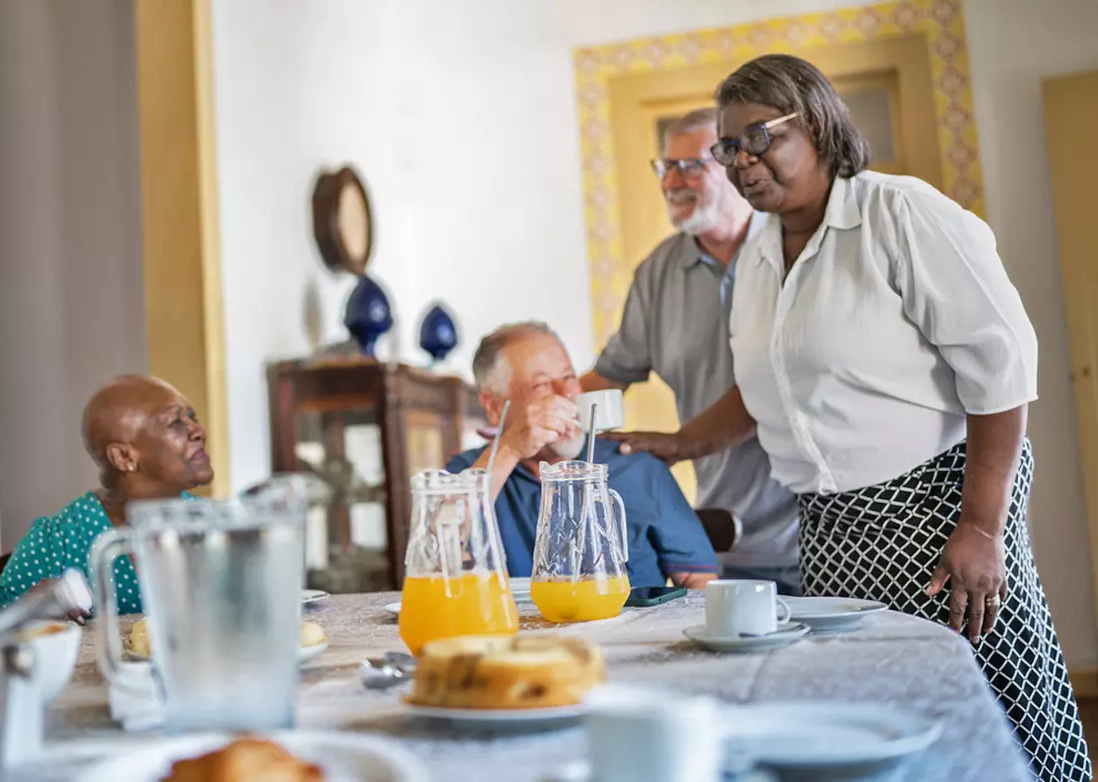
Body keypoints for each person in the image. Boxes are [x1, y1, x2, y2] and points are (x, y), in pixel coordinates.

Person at [626, 54, 1087, 780]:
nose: (742, 162)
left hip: (939, 516)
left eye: (758, 138)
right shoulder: (756, 259)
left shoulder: (899, 213)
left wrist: (981, 528)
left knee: (986, 710)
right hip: (832, 532)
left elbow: (1002, 366)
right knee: (871, 723)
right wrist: (680, 444)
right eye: (729, 147)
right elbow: (764, 386)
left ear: (814, 122)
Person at [581, 106, 801, 594]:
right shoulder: (656, 274)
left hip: (822, 534)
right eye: (665, 167)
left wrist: (677, 444)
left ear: (733, 163)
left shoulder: (797, 247)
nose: (670, 182)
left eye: (689, 166)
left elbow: (774, 384)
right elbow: (610, 374)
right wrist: (544, 405)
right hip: (724, 546)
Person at [446, 322, 717, 588]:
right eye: (541, 385)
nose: (567, 394)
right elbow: (440, 554)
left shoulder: (636, 464)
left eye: (569, 377)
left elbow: (699, 580)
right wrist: (509, 449)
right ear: (493, 406)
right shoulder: (472, 472)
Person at [0, 374, 215, 619]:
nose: (199, 431)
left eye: (192, 418)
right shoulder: (58, 542)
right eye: (175, 422)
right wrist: (30, 615)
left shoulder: (217, 527)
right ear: (124, 458)